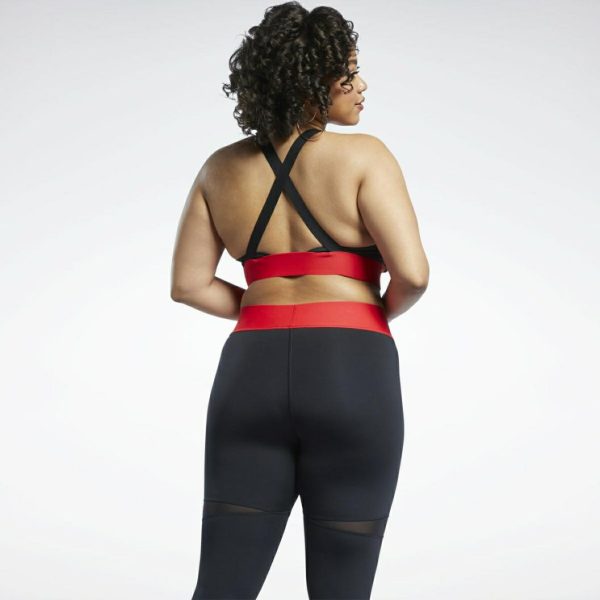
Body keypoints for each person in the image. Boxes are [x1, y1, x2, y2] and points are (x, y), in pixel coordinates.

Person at [170, 2, 429, 598]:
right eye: (349, 72)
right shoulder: (364, 156)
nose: (361, 85)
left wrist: (267, 306)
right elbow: (412, 275)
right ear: (313, 80)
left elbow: (188, 285)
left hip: (249, 371)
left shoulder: (219, 169)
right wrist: (362, 313)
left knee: (223, 586)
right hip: (350, 368)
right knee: (343, 586)